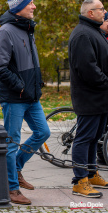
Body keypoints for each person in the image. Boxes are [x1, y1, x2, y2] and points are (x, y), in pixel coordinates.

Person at [0, 0, 50, 205]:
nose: (34, 6)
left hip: (31, 96)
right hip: (15, 97)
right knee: (12, 141)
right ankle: (12, 187)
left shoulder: (27, 28)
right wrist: (21, 85)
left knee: (43, 132)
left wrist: (36, 84)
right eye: (30, 3)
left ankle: (15, 168)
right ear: (18, 7)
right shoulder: (6, 31)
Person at [69, 0, 108, 198]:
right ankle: (79, 181)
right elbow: (87, 69)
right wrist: (106, 82)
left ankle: (91, 174)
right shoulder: (83, 34)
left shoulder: (94, 31)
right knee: (84, 139)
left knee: (95, 138)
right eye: (101, 9)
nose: (105, 12)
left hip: (100, 97)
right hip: (89, 97)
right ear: (91, 13)